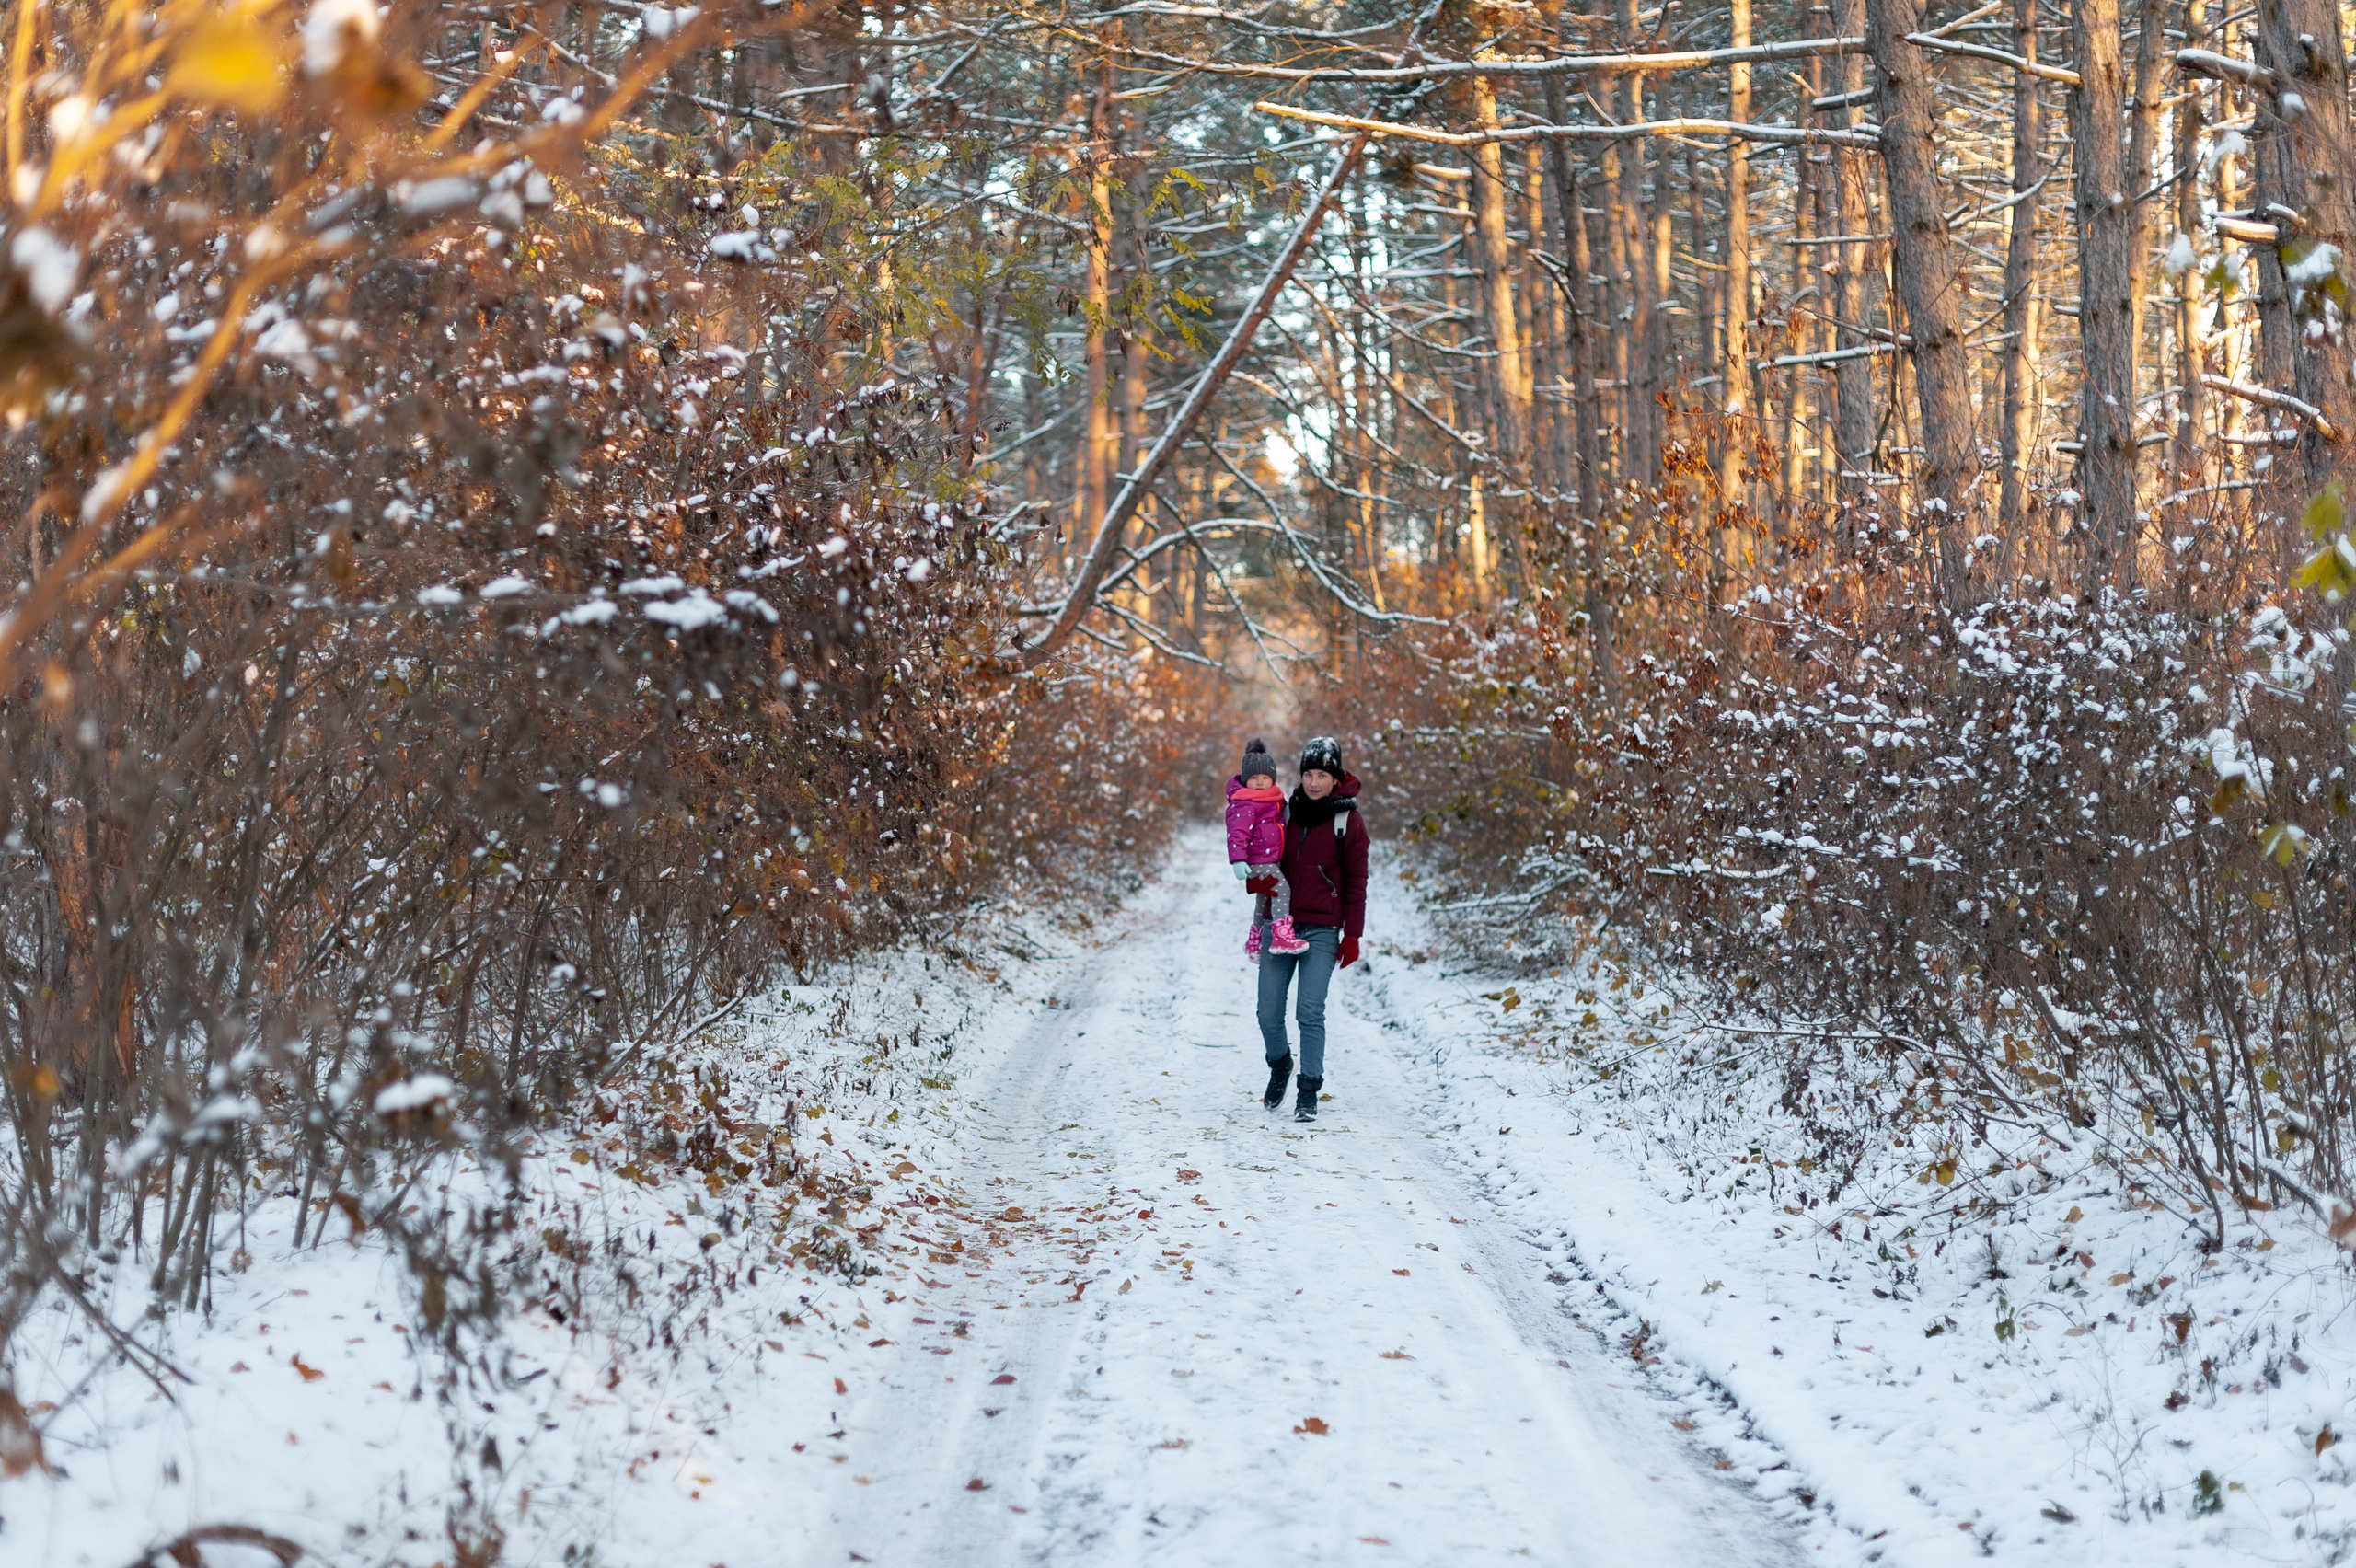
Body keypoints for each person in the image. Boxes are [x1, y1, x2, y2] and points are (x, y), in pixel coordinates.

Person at [1251, 736, 1367, 1122]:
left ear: (1336, 779)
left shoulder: (1348, 821)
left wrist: (1352, 934)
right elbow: (1262, 856)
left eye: (1322, 775)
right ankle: (1280, 1063)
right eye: (1308, 774)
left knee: (1309, 1012)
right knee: (1268, 1012)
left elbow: (1357, 882)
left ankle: (1308, 1091)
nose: (1314, 782)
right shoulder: (1284, 813)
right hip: (1280, 923)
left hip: (1322, 929)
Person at [1225, 738, 1306, 960]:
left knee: (1264, 900)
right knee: (1282, 890)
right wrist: (1238, 860)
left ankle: (1255, 942)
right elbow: (1237, 832)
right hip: (1258, 860)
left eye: (1265, 778)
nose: (1260, 782)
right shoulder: (1245, 802)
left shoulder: (1274, 799)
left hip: (1270, 859)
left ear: (1272, 779)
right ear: (1245, 780)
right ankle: (1281, 936)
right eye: (1254, 778)